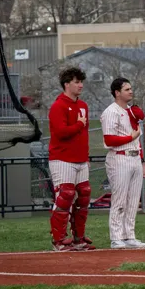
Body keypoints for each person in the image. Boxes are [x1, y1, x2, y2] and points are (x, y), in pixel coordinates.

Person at [48, 67, 93, 251]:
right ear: (67, 84)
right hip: (63, 158)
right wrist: (78, 125)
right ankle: (59, 240)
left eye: (81, 81)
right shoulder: (58, 106)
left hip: (80, 158)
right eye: (76, 82)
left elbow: (85, 134)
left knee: (83, 196)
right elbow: (60, 133)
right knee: (65, 196)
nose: (80, 85)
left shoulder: (83, 106)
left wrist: (86, 156)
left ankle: (78, 238)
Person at [100, 77, 145, 249]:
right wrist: (130, 137)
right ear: (117, 92)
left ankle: (129, 236)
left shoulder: (131, 111)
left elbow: (137, 140)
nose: (131, 91)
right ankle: (116, 237)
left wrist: (142, 161)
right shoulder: (110, 112)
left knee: (133, 200)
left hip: (134, 157)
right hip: (119, 157)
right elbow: (109, 139)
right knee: (120, 199)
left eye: (131, 88)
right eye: (127, 89)